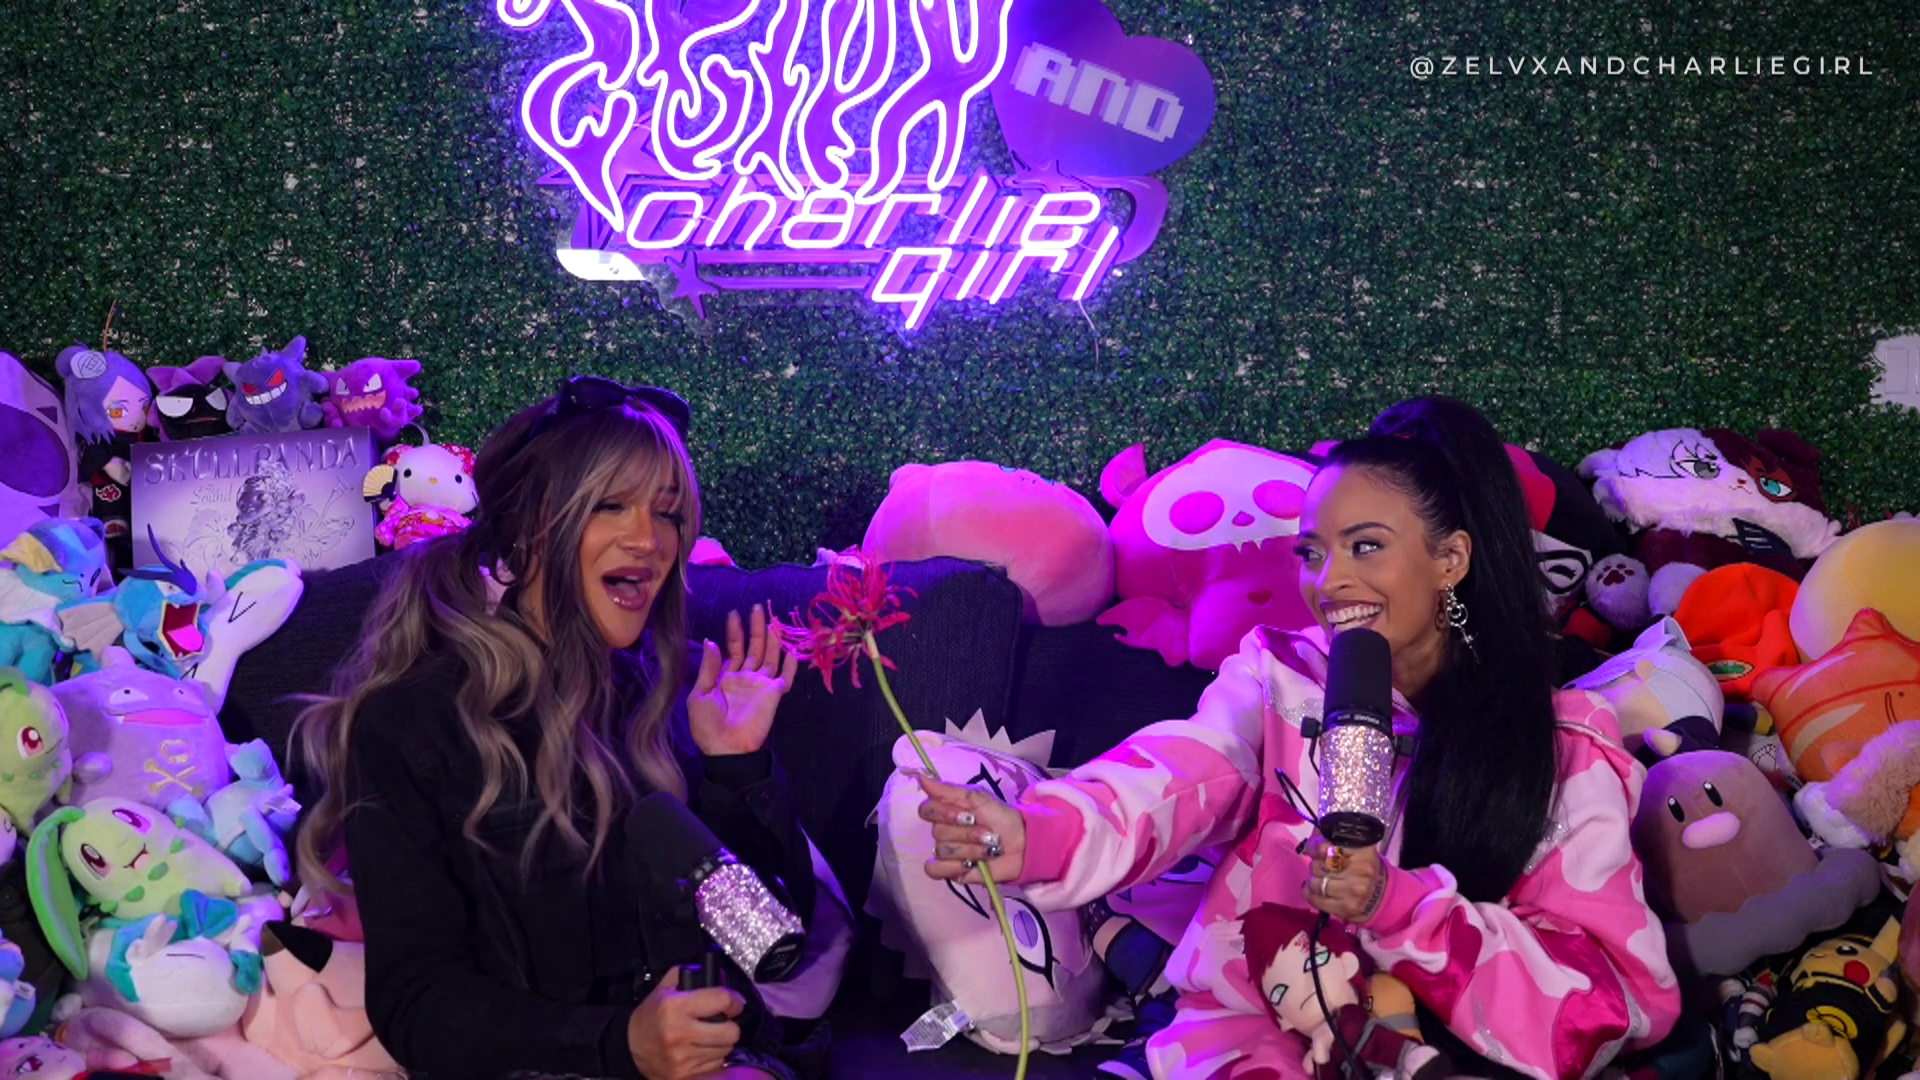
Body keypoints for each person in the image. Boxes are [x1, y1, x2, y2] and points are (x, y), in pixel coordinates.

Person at [918, 397, 1681, 1080]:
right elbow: (1184, 771)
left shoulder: (1564, 744)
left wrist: (1397, 905)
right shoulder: (1279, 677)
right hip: (1242, 1041)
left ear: (1450, 559)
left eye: (1366, 546)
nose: (1329, 581)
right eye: (1313, 553)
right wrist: (1042, 832)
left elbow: (1612, 1001)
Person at [293, 376, 820, 1080]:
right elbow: (415, 1003)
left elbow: (768, 947)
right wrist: (618, 1045)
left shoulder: (687, 696)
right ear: (529, 528)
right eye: (610, 506)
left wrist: (736, 769)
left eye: (668, 513)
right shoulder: (413, 723)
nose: (649, 540)